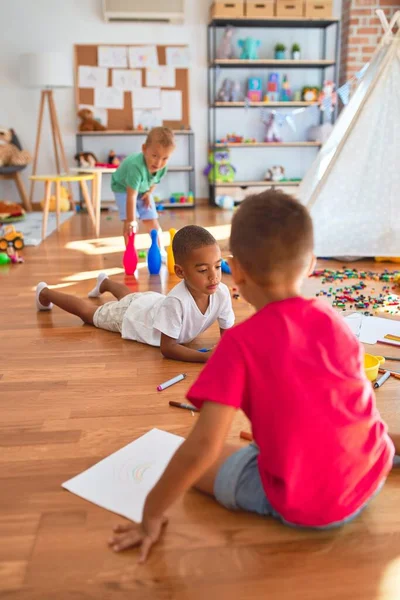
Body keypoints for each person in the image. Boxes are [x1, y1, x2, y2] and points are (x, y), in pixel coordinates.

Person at [108, 190, 399, 562]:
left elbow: (202, 448)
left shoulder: (239, 344)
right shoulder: (332, 318)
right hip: (370, 472)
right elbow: (355, 400)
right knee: (362, 428)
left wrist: (150, 515)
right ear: (310, 263)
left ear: (236, 270)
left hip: (317, 508)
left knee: (196, 465)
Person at [35, 226, 235, 363]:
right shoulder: (177, 302)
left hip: (152, 305)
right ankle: (45, 292)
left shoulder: (222, 293)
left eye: (217, 266)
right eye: (202, 270)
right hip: (132, 317)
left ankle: (104, 282)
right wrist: (204, 357)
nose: (213, 276)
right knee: (89, 313)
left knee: (129, 298)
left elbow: (227, 333)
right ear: (180, 272)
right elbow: (168, 348)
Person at [111, 126, 176, 256]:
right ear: (144, 149)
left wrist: (148, 193)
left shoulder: (162, 167)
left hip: (142, 188)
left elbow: (154, 181)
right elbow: (131, 196)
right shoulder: (136, 167)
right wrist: (131, 220)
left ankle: (159, 250)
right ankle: (130, 252)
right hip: (123, 188)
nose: (158, 162)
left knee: (152, 219)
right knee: (131, 224)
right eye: (154, 156)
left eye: (164, 158)